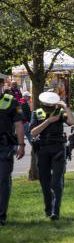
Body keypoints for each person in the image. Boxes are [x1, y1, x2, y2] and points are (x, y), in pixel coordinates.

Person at [30, 91, 74, 220]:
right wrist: (48, 121)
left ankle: (55, 211)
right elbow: (33, 132)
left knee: (56, 181)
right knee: (45, 181)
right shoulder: (37, 113)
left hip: (58, 149)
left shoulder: (60, 113)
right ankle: (48, 209)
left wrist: (65, 106)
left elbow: (72, 122)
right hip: (43, 149)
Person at [0, 89, 25, 226]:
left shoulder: (11, 101)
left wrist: (21, 145)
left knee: (3, 181)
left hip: (4, 147)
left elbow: (19, 124)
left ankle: (1, 216)